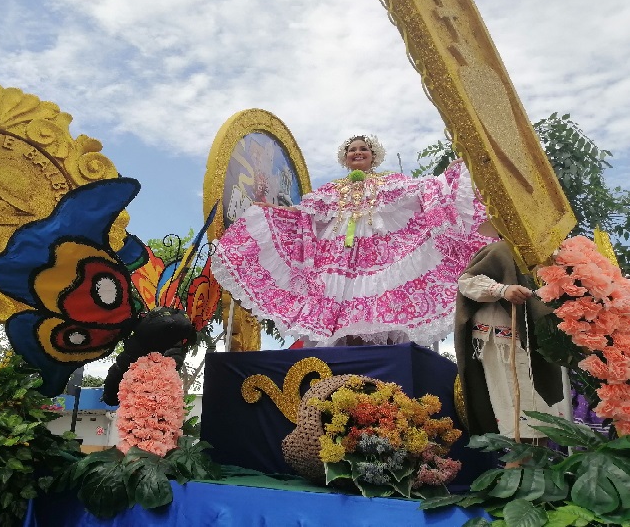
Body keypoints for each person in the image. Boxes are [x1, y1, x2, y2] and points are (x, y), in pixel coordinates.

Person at [211, 134, 495, 347]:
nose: (357, 153)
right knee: (338, 304)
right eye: (352, 150)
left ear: (373, 156)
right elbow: (306, 213)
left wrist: (453, 173)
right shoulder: (332, 189)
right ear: (345, 158)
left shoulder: (389, 181)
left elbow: (422, 190)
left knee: (379, 299)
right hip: (337, 257)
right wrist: (274, 212)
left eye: (363, 149)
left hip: (379, 253)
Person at [454, 240, 565, 449]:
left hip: (534, 345)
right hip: (502, 345)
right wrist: (501, 289)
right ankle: (517, 477)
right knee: (519, 428)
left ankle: (534, 476)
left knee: (539, 428)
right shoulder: (501, 249)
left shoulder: (547, 257)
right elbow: (466, 282)